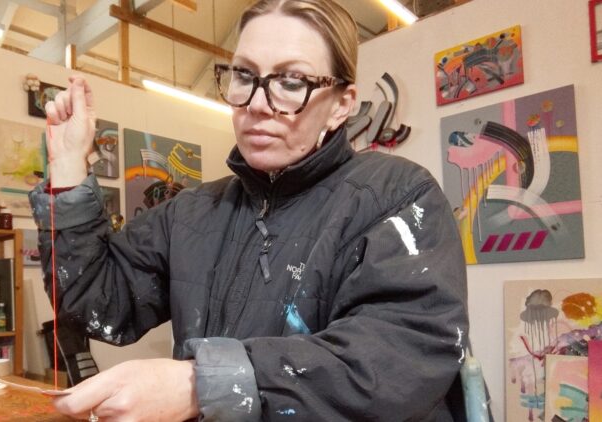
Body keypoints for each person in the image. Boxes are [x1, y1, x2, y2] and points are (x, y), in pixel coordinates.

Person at [29, 0, 469, 420]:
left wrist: (201, 385)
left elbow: (396, 360)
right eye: (244, 75)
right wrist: (68, 171)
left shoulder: (396, 196)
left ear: (341, 105)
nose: (257, 104)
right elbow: (97, 306)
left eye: (291, 82)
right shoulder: (192, 212)